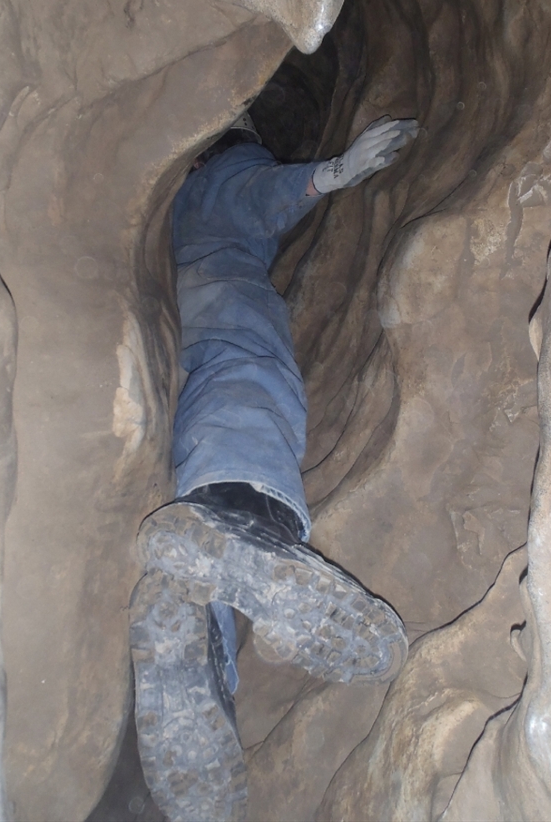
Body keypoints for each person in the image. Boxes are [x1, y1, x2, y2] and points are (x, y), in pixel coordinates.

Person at [130, 111, 419, 822]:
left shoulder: (167, 209)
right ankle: (243, 520)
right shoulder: (216, 181)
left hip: (161, 332)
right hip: (220, 297)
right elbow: (248, 193)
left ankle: (205, 665)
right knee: (251, 384)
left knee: (188, 553)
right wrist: (332, 175)